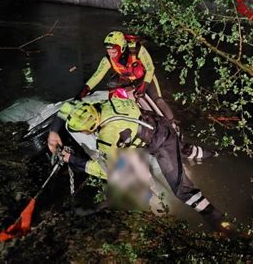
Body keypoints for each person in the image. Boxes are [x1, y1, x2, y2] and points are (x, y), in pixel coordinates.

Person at [47, 98, 232, 233]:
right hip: (155, 124)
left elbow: (109, 173)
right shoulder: (101, 105)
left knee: (181, 190)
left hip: (161, 143)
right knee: (184, 149)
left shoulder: (106, 137)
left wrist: (72, 160)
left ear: (89, 128)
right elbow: (65, 107)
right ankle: (217, 154)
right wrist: (53, 132)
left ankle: (216, 219)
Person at [75, 31, 213, 161]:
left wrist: (143, 87)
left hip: (146, 79)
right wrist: (85, 89)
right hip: (129, 82)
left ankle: (173, 125)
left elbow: (150, 68)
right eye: (108, 50)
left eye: (113, 50)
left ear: (122, 47)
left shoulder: (137, 50)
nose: (110, 53)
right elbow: (97, 75)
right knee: (121, 98)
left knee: (158, 101)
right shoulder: (107, 60)